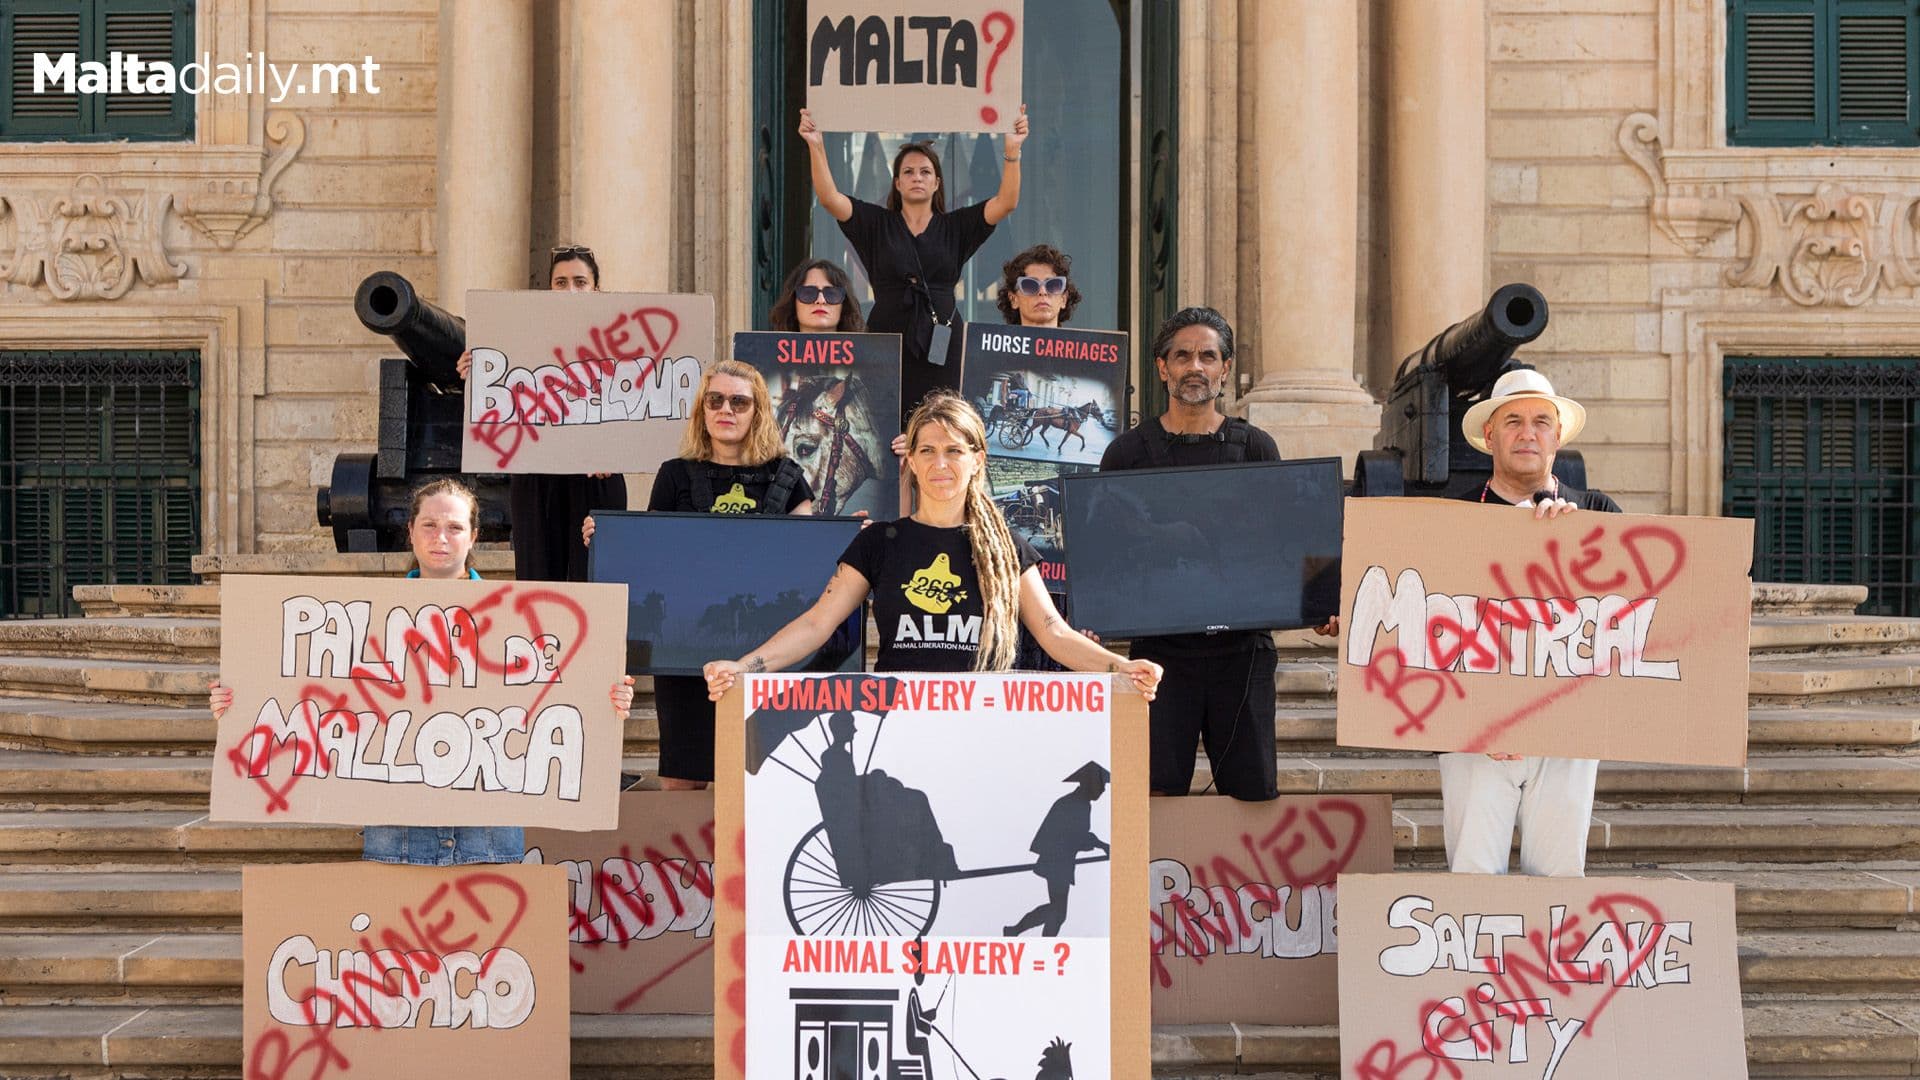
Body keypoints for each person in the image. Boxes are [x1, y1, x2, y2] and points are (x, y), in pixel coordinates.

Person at [209, 477, 634, 866]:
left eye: (454, 527)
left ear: (474, 537)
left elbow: (557, 702)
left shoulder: (519, 623)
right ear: (410, 531)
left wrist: (607, 697)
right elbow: (312, 696)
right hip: (398, 833)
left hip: (489, 830)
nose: (441, 538)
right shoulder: (365, 624)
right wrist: (239, 703)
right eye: (429, 525)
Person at [702, 392, 1160, 694]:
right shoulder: (879, 543)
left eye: (954, 450)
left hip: (982, 724)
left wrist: (1120, 669)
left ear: (978, 461)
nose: (941, 463)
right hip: (900, 722)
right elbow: (816, 625)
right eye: (928, 451)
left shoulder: (1006, 546)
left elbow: (1054, 633)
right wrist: (746, 667)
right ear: (912, 464)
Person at [1098, 307, 1336, 802]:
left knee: (1249, 795)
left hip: (1243, 655)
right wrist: (1095, 608)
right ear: (1162, 367)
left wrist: (1318, 602)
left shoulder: (1256, 448)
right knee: (1154, 793)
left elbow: (1284, 541)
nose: (1195, 366)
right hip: (1160, 657)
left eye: (1208, 356)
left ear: (1224, 368)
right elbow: (1110, 555)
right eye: (1182, 355)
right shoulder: (1126, 454)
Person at [583, 361, 815, 790]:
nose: (726, 409)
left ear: (757, 411)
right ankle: (687, 860)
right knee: (680, 778)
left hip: (762, 649)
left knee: (752, 779)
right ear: (702, 410)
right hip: (685, 644)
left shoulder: (790, 479)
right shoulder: (674, 474)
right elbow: (648, 551)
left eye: (739, 401)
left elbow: (803, 562)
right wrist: (608, 537)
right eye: (715, 399)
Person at [1441, 368, 1620, 877]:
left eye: (1542, 421)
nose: (1528, 432)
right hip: (1474, 736)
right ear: (1490, 436)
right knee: (1472, 879)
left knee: (1560, 884)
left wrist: (1580, 545)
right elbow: (1433, 631)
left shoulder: (1598, 512)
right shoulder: (1450, 522)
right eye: (1513, 421)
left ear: (1557, 435)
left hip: (1568, 733)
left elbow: (1632, 617)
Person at [799, 107, 1030, 425]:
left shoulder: (956, 227)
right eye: (908, 172)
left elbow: (1007, 202)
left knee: (940, 422)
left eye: (924, 172)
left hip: (943, 342)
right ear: (896, 183)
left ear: (937, 182)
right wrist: (816, 144)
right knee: (885, 423)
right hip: (887, 340)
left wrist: (1012, 151)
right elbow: (828, 198)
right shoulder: (877, 224)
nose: (917, 177)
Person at [455, 244, 627, 583]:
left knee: (594, 574)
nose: (570, 290)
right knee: (538, 576)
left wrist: (614, 449)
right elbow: (502, 405)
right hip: (536, 476)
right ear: (549, 288)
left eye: (580, 281)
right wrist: (475, 377)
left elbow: (642, 407)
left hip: (597, 475)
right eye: (561, 282)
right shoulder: (518, 336)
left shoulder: (622, 342)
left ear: (596, 289)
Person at [1005, 762, 1110, 937]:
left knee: (1058, 912)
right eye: (1102, 785)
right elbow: (1077, 836)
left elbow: (1080, 837)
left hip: (1062, 862)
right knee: (1058, 912)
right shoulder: (1072, 804)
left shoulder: (1082, 804)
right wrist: (1102, 846)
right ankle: (1016, 931)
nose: (1103, 790)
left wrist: (1100, 845)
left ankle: (1024, 934)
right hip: (1056, 861)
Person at [995, 242, 1083, 330]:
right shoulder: (993, 343)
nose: (1042, 292)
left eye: (1053, 285)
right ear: (1013, 299)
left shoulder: (1085, 343)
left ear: (1064, 299)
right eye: (1030, 285)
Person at [768, 258, 869, 333]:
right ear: (793, 303)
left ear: (844, 307)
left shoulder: (864, 360)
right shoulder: (767, 359)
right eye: (808, 293)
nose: (821, 300)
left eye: (832, 294)